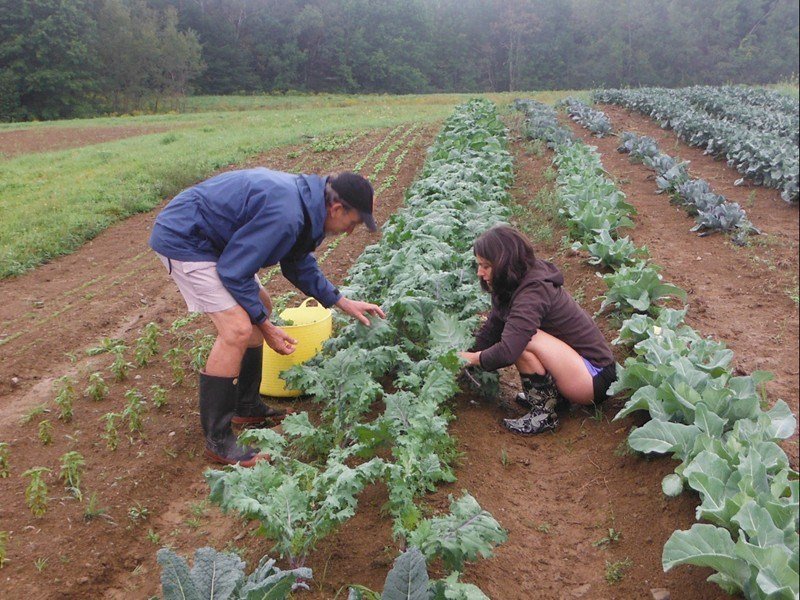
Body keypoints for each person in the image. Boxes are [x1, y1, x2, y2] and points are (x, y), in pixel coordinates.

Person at [149, 169, 386, 466]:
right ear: (337, 208)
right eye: (353, 224)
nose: (350, 232)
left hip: (216, 240)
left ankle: (245, 406)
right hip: (186, 238)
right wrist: (267, 328)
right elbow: (234, 272)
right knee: (236, 328)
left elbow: (297, 263)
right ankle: (218, 441)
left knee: (262, 304)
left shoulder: (306, 208)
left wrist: (343, 302)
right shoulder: (286, 214)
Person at [458, 225, 616, 435]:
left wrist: (473, 358)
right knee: (516, 334)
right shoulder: (510, 284)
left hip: (595, 378)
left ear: (504, 263)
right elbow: (493, 327)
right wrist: (463, 356)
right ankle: (553, 398)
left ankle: (544, 414)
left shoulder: (533, 290)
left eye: (485, 266)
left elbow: (509, 351)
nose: (480, 272)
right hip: (573, 367)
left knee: (524, 340)